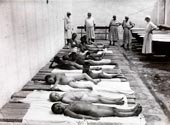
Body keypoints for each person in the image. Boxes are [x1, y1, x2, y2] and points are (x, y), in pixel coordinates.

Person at [51, 102, 142, 120]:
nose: (60, 108)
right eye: (58, 110)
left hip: (94, 106)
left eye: (58, 106)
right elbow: (77, 116)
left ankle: (130, 109)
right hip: (94, 112)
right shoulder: (67, 111)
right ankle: (133, 114)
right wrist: (91, 117)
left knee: (114, 108)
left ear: (60, 103)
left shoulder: (68, 103)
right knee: (114, 113)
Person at [49, 91, 124, 105]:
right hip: (83, 99)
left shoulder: (64, 93)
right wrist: (85, 103)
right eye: (55, 96)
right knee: (99, 99)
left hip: (84, 94)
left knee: (100, 96)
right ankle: (115, 102)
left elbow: (74, 92)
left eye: (55, 93)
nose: (57, 95)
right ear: (55, 100)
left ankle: (115, 99)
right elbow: (74, 102)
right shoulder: (64, 99)